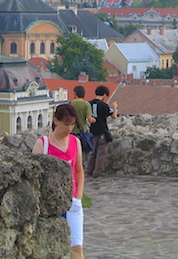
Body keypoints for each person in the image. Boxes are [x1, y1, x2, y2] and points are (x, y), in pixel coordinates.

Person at [32, 104, 85, 259]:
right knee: (52, 250)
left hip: (72, 201)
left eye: (72, 124)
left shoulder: (75, 142)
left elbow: (79, 171)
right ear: (56, 121)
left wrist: (79, 196)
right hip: (50, 205)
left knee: (76, 247)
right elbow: (33, 175)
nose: (69, 128)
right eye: (66, 124)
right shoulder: (43, 144)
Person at [86, 85, 118, 178]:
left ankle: (89, 170)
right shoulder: (103, 105)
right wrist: (114, 107)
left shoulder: (90, 104)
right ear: (104, 95)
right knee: (101, 153)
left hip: (92, 130)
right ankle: (97, 172)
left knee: (92, 152)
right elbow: (114, 116)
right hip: (102, 130)